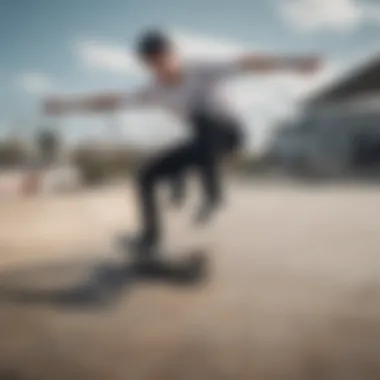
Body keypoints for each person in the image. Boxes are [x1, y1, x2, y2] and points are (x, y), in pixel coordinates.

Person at [44, 29, 321, 255]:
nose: (160, 66)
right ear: (146, 65)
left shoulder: (201, 69)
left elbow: (248, 63)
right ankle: (150, 238)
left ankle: (213, 195)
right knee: (146, 174)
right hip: (202, 144)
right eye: (152, 63)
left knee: (201, 120)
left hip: (230, 133)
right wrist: (68, 105)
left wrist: (293, 63)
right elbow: (111, 101)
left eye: (163, 58)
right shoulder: (152, 91)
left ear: (174, 55)